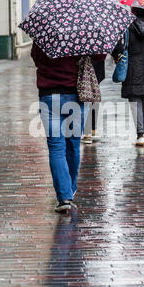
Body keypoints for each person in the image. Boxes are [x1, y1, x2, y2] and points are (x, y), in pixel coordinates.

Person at [31, 42, 106, 213]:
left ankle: (64, 197)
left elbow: (36, 58)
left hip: (49, 96)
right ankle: (69, 191)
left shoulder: (44, 33)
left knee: (56, 147)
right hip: (75, 96)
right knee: (73, 145)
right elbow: (100, 56)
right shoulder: (82, 32)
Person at [112, 0, 144, 146]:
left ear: (133, 11)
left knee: (135, 100)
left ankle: (140, 133)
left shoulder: (127, 29)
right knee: (143, 98)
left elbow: (119, 49)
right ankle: (142, 130)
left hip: (132, 66)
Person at [81, 58, 105, 144]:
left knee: (86, 96)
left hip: (84, 65)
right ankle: (92, 129)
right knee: (94, 95)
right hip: (97, 64)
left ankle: (88, 132)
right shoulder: (100, 44)